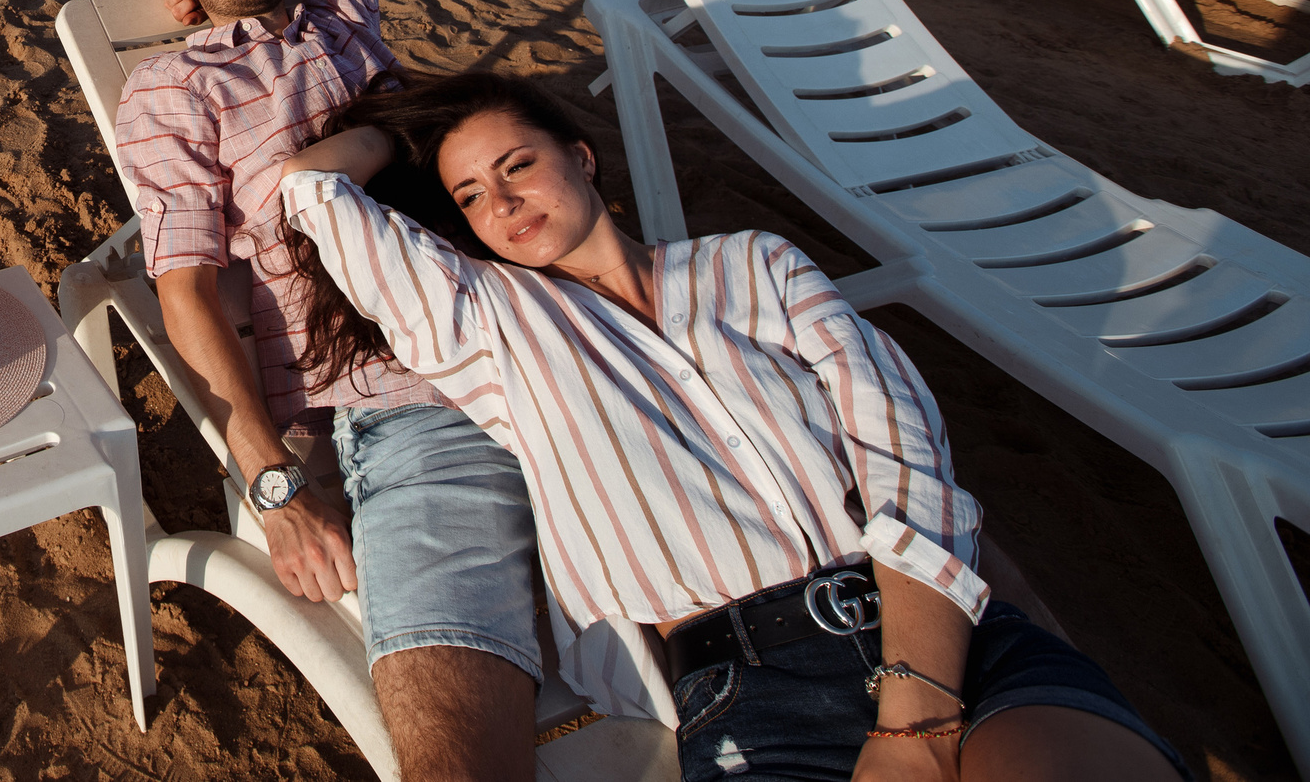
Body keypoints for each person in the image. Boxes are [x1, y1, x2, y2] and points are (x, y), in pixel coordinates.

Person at [277, 72, 1190, 782]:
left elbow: (907, 458)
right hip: (753, 680)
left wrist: (915, 718)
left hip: (940, 629)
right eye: (471, 194)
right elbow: (312, 187)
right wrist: (401, 132)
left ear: (582, 156)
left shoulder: (754, 265)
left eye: (517, 164)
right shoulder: (488, 326)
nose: (502, 201)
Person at [117, 0, 543, 782]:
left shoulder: (343, 17)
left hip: (530, 319)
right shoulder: (173, 89)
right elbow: (183, 291)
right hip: (407, 390)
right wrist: (273, 482)